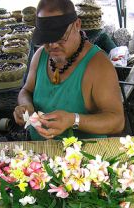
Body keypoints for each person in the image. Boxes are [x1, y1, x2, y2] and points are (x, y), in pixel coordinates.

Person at [13, 0, 124, 140]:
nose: (52, 45)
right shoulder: (40, 55)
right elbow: (26, 90)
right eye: (46, 39)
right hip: (38, 154)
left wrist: (74, 120)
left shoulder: (98, 65)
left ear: (77, 25)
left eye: (60, 38)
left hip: (82, 156)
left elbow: (117, 122)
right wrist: (25, 106)